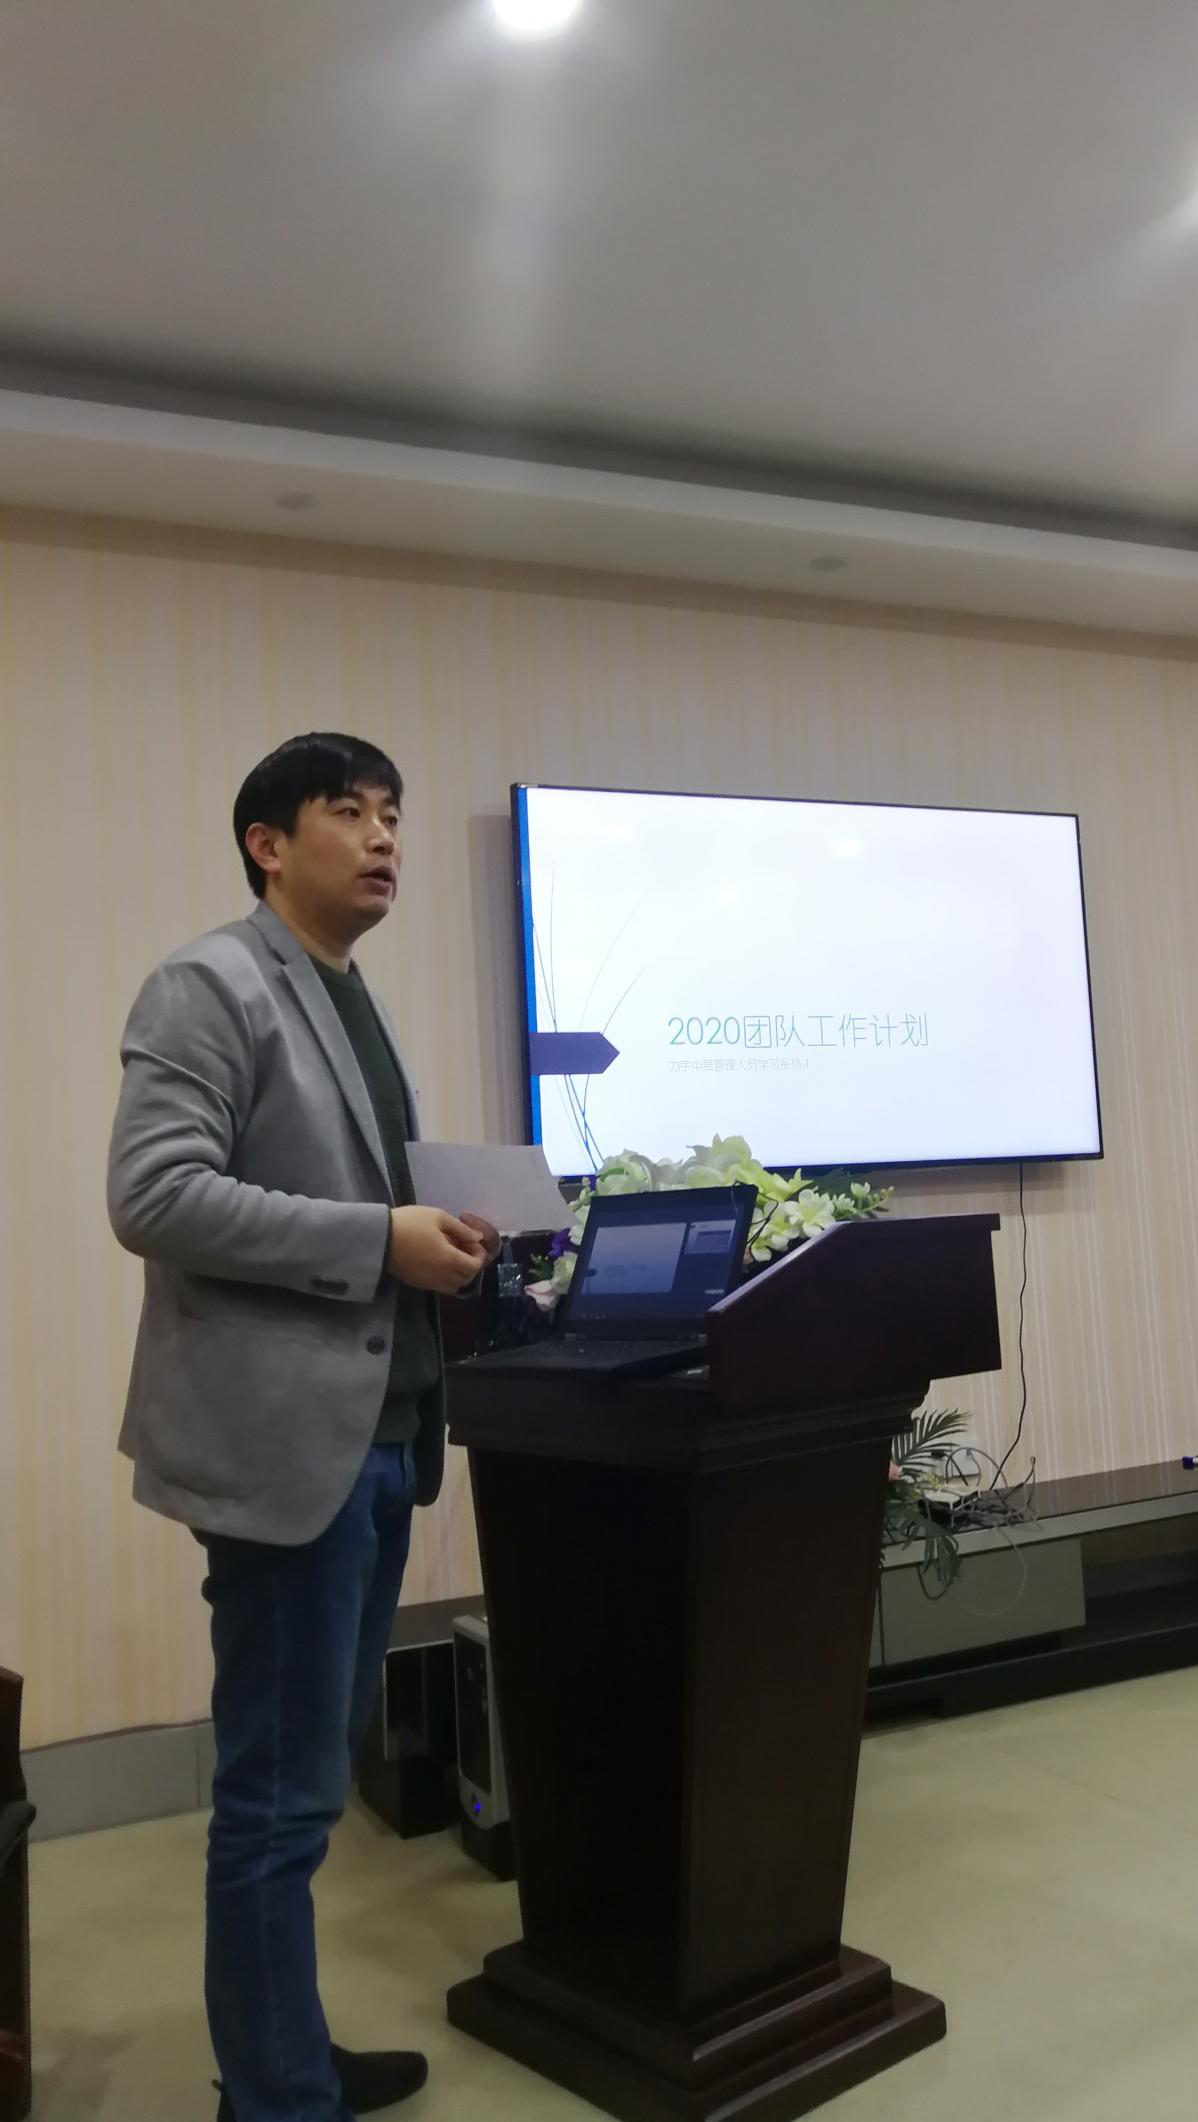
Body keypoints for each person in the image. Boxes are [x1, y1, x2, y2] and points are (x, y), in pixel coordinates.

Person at [107, 732, 500, 2122]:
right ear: (267, 844)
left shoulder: (347, 993)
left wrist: (444, 1235)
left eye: (393, 812)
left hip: (382, 1439)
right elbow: (153, 1195)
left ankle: (284, 2060)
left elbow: (355, 1203)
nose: (384, 835)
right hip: (288, 1455)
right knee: (276, 1798)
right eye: (350, 811)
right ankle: (274, 2099)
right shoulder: (210, 982)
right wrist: (379, 1237)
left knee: (313, 1777)